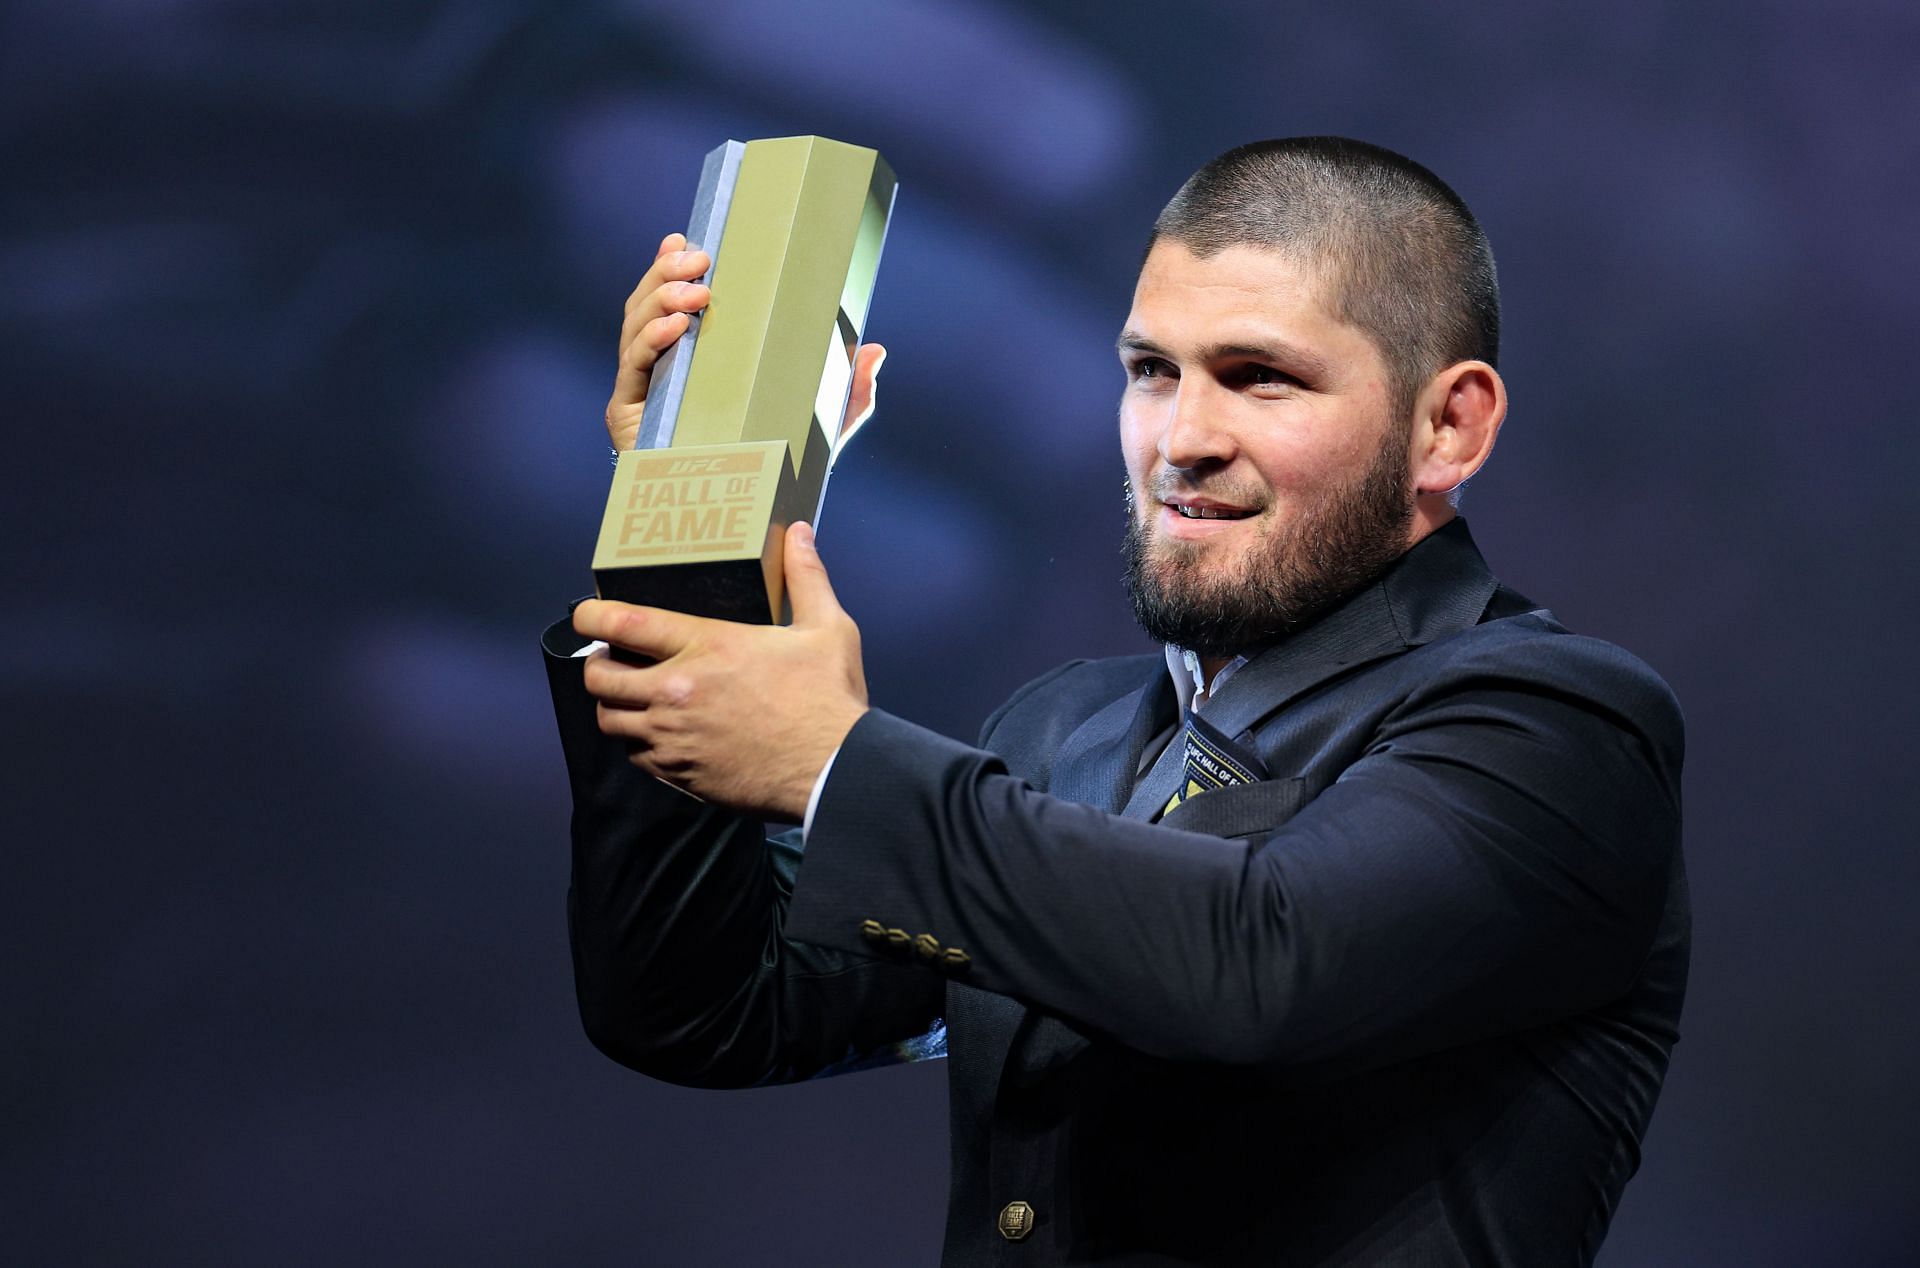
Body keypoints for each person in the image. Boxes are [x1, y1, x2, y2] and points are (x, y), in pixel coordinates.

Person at [542, 137, 1688, 1267]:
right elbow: (705, 1007)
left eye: (1260, 376)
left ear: (1449, 426)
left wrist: (836, 763)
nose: (1180, 439)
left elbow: (1265, 963)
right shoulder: (1058, 733)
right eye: (1152, 370)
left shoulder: (1561, 723)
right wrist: (684, 533)